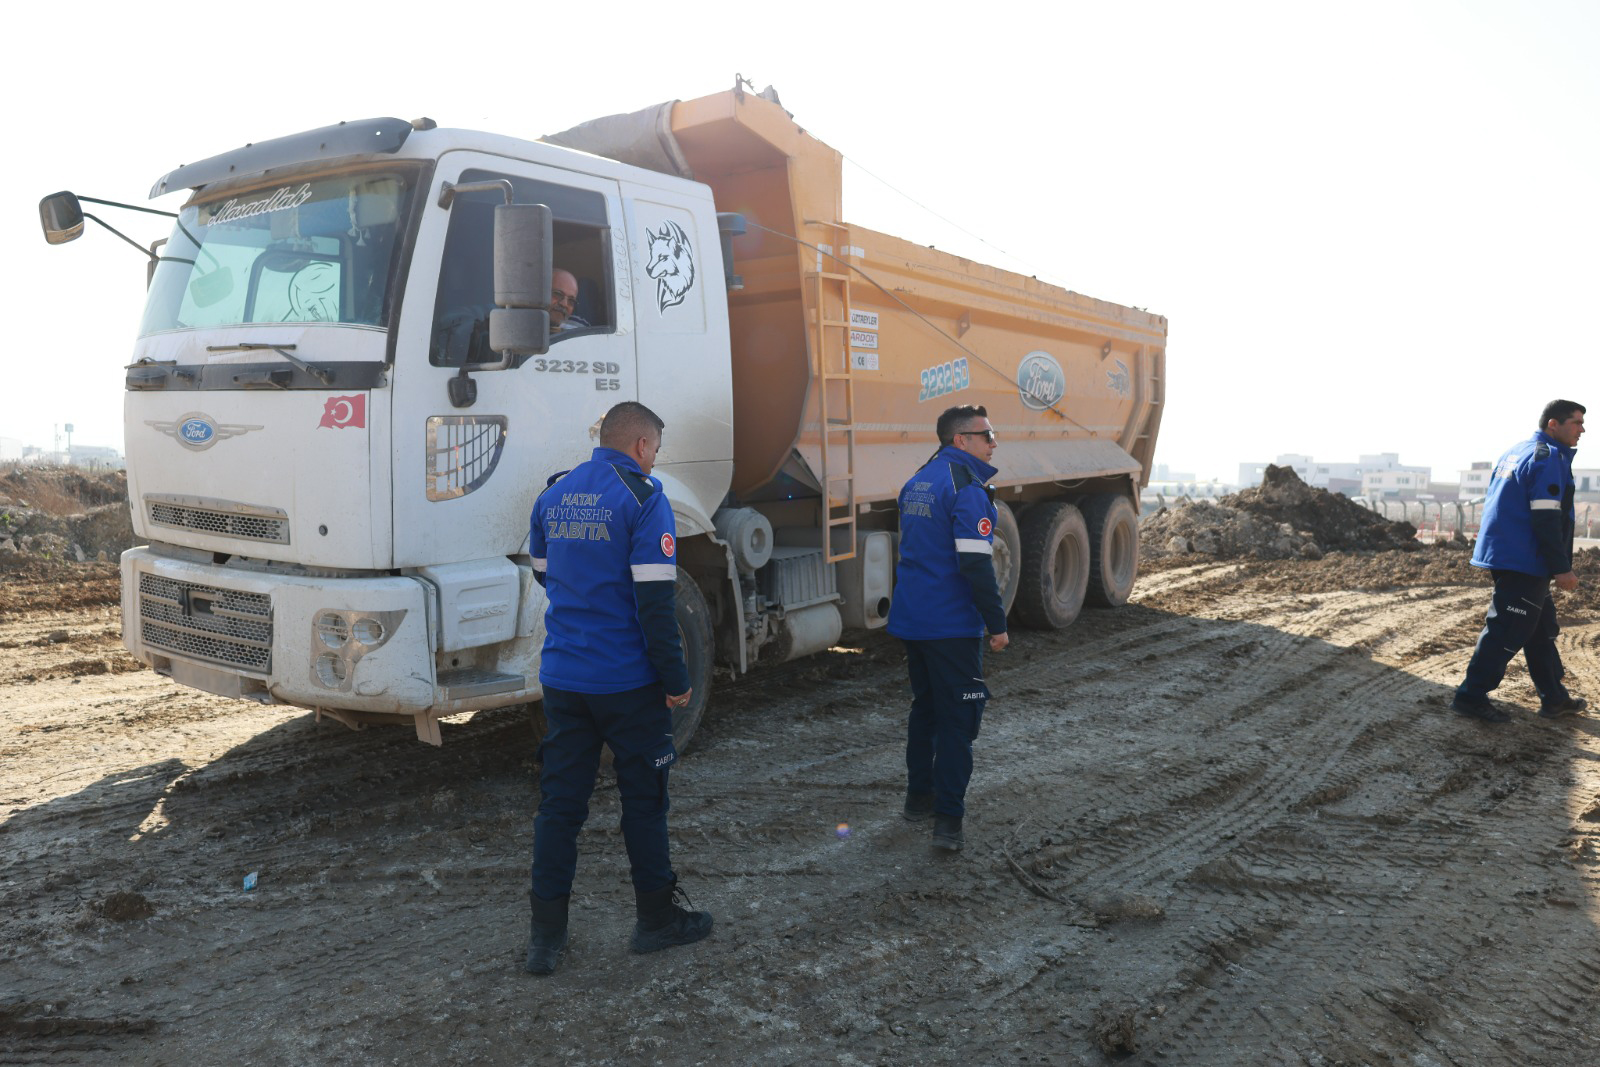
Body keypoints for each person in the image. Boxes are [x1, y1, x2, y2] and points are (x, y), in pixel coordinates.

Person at [522, 401, 712, 974]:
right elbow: (657, 606)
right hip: (627, 684)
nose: (655, 459)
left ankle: (545, 940)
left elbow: (542, 570)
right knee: (644, 803)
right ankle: (656, 920)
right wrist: (677, 681)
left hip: (564, 678)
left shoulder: (553, 495)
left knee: (559, 808)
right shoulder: (645, 498)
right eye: (655, 448)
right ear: (641, 445)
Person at [886, 404, 1010, 851]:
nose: (994, 442)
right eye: (987, 434)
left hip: (914, 620)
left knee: (926, 710)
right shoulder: (967, 487)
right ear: (961, 440)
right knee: (959, 722)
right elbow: (976, 565)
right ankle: (948, 824)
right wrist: (997, 625)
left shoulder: (919, 479)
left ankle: (918, 799)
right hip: (952, 626)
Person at [1452, 399, 1587, 723]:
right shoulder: (1547, 457)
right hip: (1524, 559)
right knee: (1506, 630)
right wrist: (1561, 568)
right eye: (1576, 422)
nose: (1583, 429)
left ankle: (1554, 699)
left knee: (1540, 630)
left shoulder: (1518, 450)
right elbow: (1545, 519)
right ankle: (1470, 697)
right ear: (1553, 424)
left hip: (1511, 553)